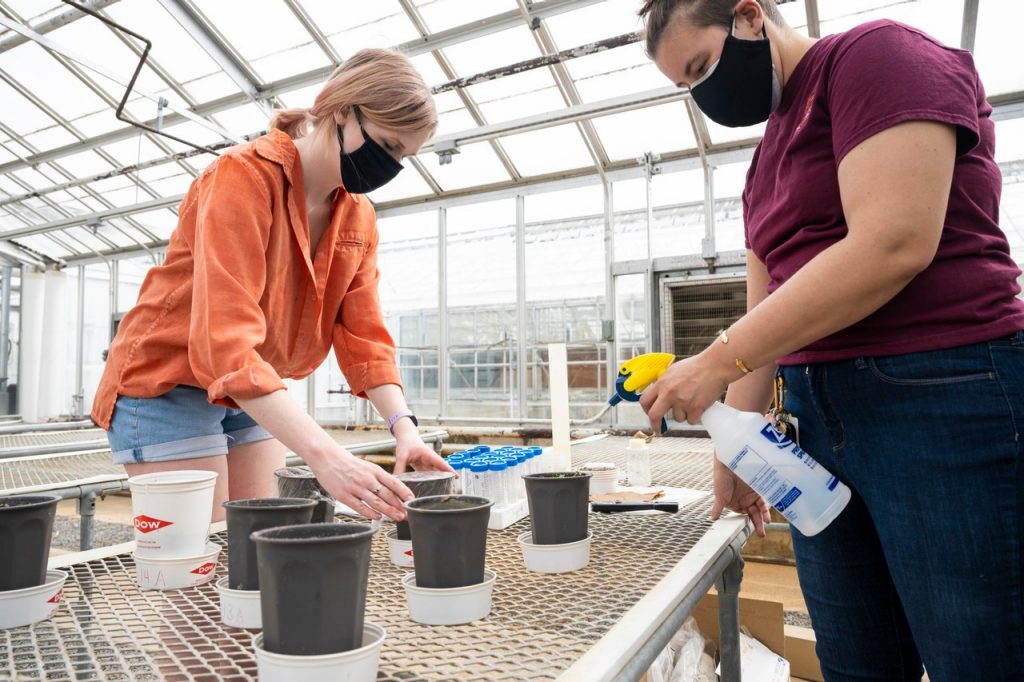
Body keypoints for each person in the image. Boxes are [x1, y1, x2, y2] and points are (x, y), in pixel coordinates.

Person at [636, 0, 1024, 680]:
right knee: (856, 656)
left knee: (979, 651)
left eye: (701, 66)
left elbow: (895, 241)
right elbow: (768, 318)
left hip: (943, 391)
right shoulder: (764, 165)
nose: (704, 95)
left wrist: (713, 361)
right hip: (818, 415)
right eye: (685, 88)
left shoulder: (876, 57)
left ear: (750, 17)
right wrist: (741, 453)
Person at [92, 48, 451, 523]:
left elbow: (364, 336)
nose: (390, 167)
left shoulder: (357, 216)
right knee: (196, 564)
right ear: (342, 110)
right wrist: (327, 457)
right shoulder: (243, 178)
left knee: (259, 546)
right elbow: (225, 341)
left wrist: (405, 428)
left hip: (249, 386)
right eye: (386, 146)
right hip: (167, 383)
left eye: (404, 156)